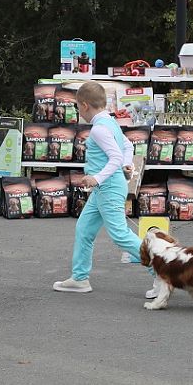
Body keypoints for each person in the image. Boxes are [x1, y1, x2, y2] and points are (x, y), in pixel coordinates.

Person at [52, 81, 153, 296]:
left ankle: (162, 272)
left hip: (107, 187)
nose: (79, 112)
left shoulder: (98, 129)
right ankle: (80, 278)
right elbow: (126, 147)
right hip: (105, 188)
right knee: (84, 229)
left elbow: (115, 156)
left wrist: (96, 178)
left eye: (78, 107)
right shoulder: (110, 122)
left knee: (120, 235)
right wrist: (127, 163)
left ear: (85, 105)